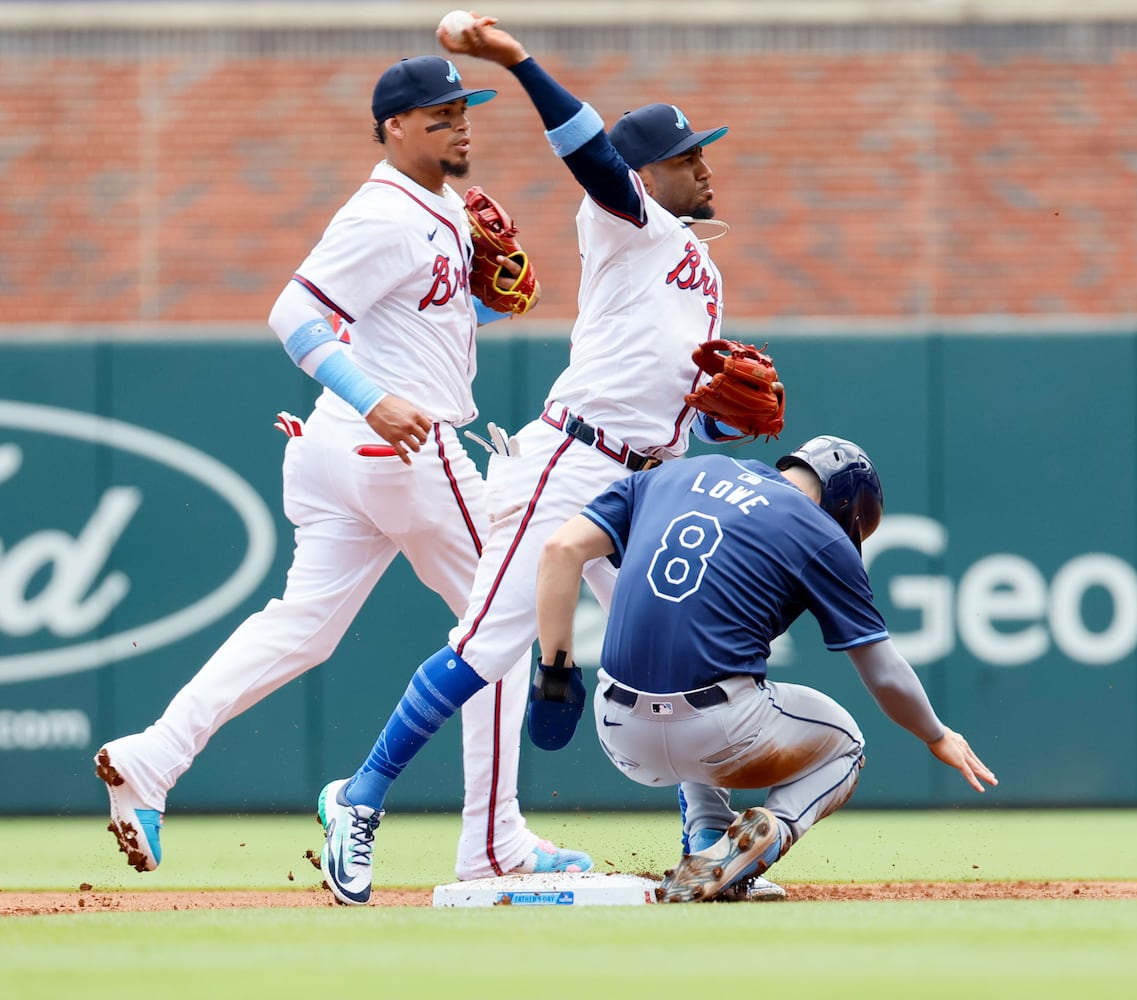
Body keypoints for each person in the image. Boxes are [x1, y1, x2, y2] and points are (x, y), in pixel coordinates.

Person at [91, 53, 582, 884]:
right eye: (440, 113)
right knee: (497, 627)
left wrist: (484, 304)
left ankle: (153, 757)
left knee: (302, 627)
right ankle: (494, 840)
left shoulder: (445, 205)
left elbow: (422, 325)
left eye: (465, 109)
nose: (461, 121)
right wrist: (373, 397)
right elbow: (293, 313)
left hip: (335, 452)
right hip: (400, 446)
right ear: (394, 127)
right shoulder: (383, 213)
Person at [315, 15, 754, 906]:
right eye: (686, 158)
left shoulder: (702, 269)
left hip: (650, 476)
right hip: (572, 465)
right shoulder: (626, 219)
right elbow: (590, 154)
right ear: (645, 178)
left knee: (680, 656)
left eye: (703, 154)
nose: (704, 167)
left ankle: (707, 837)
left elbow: (674, 405)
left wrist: (722, 432)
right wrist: (516, 61)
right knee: (485, 649)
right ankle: (358, 803)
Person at [532, 435, 997, 901]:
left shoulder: (672, 474)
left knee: (699, 672)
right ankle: (771, 832)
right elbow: (884, 672)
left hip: (619, 733)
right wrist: (936, 734)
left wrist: (556, 673)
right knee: (847, 745)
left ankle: (708, 847)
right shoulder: (820, 532)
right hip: (719, 731)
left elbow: (560, 550)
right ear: (845, 507)